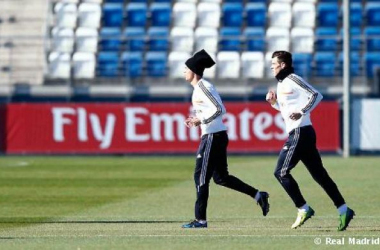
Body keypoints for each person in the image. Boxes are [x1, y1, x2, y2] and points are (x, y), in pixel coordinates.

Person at [266, 51, 355, 231]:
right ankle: (344, 209)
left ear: (283, 65)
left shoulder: (292, 79)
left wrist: (302, 111)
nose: (271, 67)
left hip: (300, 132)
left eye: (274, 63)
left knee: (281, 172)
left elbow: (316, 95)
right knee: (319, 175)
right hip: (302, 133)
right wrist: (274, 103)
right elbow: (287, 111)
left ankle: (303, 208)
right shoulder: (282, 84)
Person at [181, 49, 270, 228]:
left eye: (186, 68)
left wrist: (201, 119)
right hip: (216, 135)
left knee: (200, 177)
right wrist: (198, 120)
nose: (184, 71)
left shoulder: (203, 87)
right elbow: (211, 111)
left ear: (194, 71)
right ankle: (258, 195)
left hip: (213, 137)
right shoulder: (199, 89)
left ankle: (200, 220)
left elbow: (220, 109)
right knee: (221, 178)